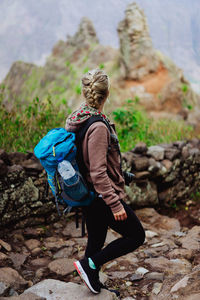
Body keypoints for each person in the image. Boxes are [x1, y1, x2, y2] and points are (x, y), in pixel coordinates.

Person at [65, 69, 145, 294]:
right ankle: (88, 265)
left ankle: (93, 281)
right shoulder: (99, 127)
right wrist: (115, 203)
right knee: (136, 235)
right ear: (107, 94)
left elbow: (93, 160)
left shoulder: (79, 116)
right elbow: (98, 172)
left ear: (85, 93)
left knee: (95, 243)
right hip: (101, 196)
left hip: (90, 195)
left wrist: (121, 175)